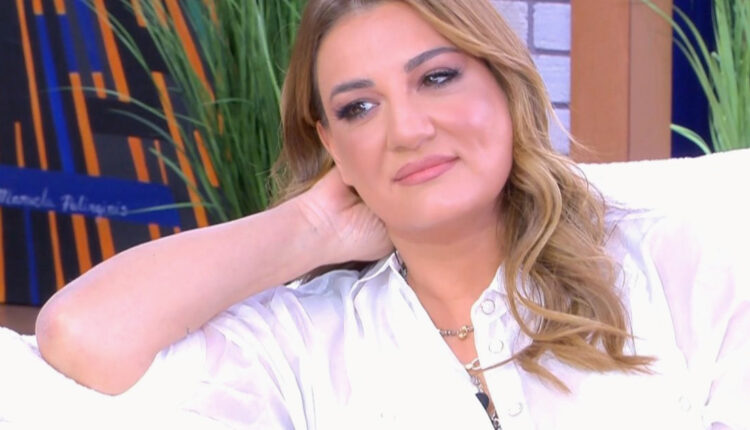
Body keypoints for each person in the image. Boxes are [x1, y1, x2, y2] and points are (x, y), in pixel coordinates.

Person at [34, 0, 748, 428]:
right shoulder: (308, 341)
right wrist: (310, 228)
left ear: (504, 83)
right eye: (359, 108)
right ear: (329, 143)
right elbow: (82, 334)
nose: (407, 130)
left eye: (436, 77)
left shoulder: (676, 262)